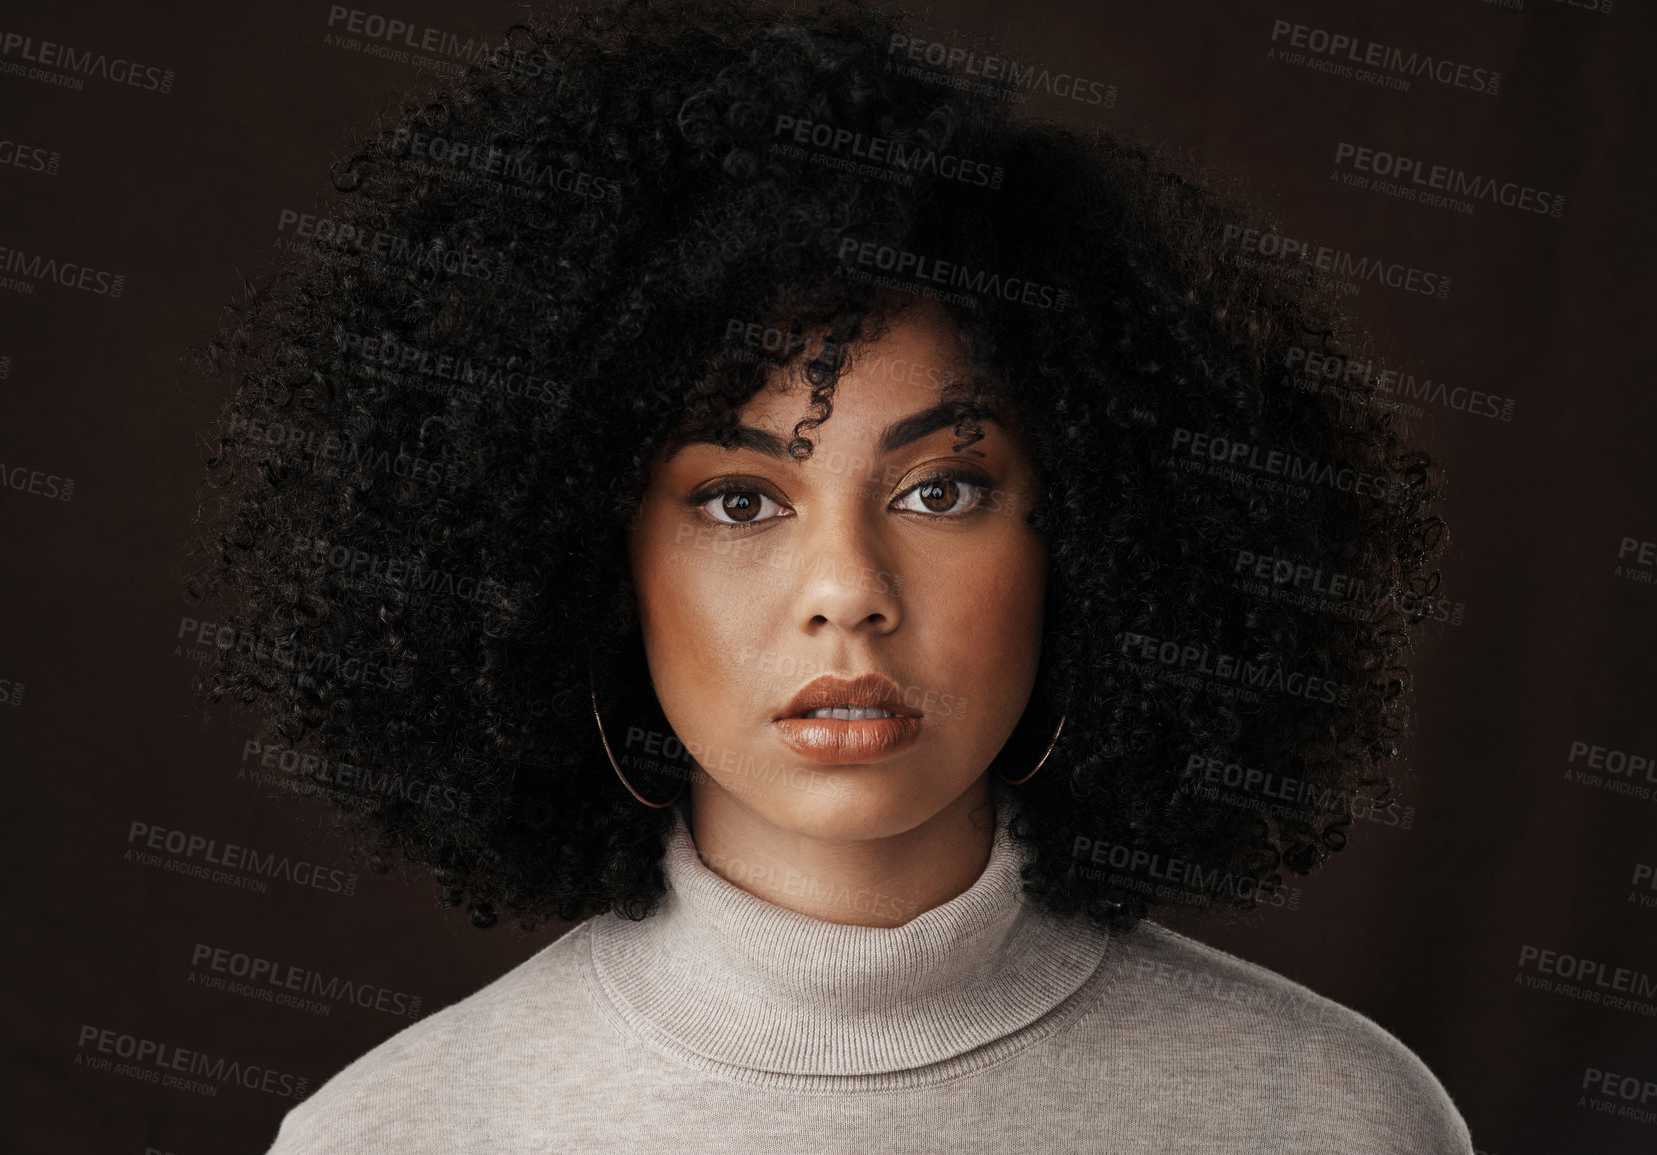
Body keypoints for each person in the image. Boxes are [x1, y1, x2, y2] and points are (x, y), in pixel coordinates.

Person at [186, 0, 1471, 1149]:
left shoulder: (1326, 1115)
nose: (847, 590)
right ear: (585, 565)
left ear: (1087, 537)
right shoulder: (395, 1135)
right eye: (739, 500)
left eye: (941, 491)